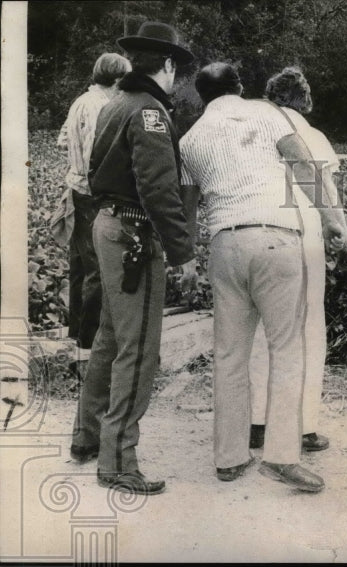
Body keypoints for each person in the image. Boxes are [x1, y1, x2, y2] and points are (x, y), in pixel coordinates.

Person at [179, 63, 347, 492]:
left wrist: (185, 259)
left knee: (229, 354)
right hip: (277, 237)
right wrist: (333, 225)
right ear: (240, 86)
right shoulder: (266, 113)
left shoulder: (190, 139)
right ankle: (281, 456)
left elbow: (187, 207)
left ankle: (229, 458)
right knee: (288, 350)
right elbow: (304, 165)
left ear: (201, 95)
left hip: (225, 244)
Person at [71, 21, 199, 496]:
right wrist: (183, 252)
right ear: (167, 66)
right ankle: (119, 462)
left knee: (110, 338)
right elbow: (159, 189)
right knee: (139, 347)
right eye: (176, 70)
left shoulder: (115, 103)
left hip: (107, 225)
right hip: (134, 233)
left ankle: (86, 440)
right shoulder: (148, 112)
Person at [247, 66, 347, 453]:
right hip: (304, 231)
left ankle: (256, 422)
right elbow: (326, 190)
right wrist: (344, 238)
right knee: (308, 330)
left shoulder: (254, 127)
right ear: (303, 99)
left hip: (257, 231)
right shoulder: (311, 135)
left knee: (261, 330)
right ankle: (303, 425)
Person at [52, 53, 131, 350]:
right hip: (89, 193)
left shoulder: (82, 100)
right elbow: (92, 157)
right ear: (118, 78)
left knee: (80, 267)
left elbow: (62, 139)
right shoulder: (101, 106)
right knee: (96, 268)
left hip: (75, 188)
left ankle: (75, 333)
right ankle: (88, 342)